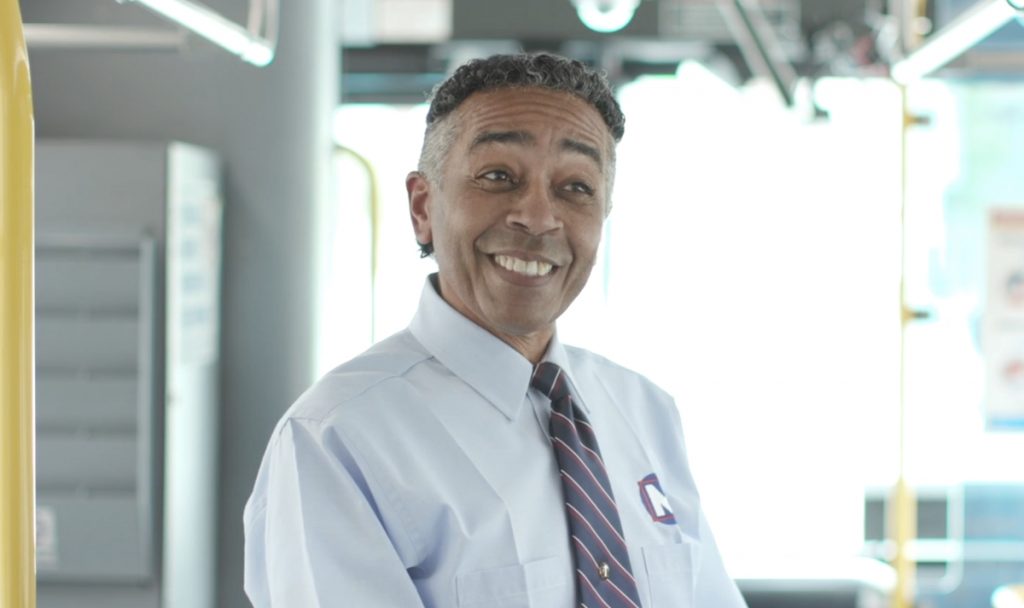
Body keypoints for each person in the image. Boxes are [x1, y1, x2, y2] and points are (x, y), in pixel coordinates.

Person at [243, 52, 746, 607]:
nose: (536, 217)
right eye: (498, 176)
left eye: (576, 187)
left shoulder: (646, 412)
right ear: (422, 205)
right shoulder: (336, 439)